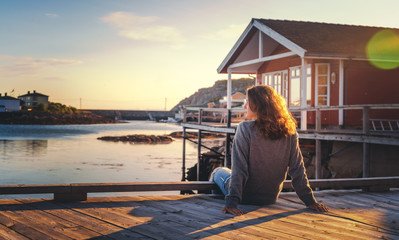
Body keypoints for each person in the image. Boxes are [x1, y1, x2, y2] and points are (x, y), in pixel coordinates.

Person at [210, 85, 328, 216]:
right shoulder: (289, 131)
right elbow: (297, 169)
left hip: (244, 197)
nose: (245, 107)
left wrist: (231, 202)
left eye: (247, 103)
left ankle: (221, 207)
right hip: (270, 198)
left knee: (217, 172)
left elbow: (240, 169)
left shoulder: (245, 128)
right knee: (229, 173)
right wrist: (310, 201)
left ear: (256, 105)